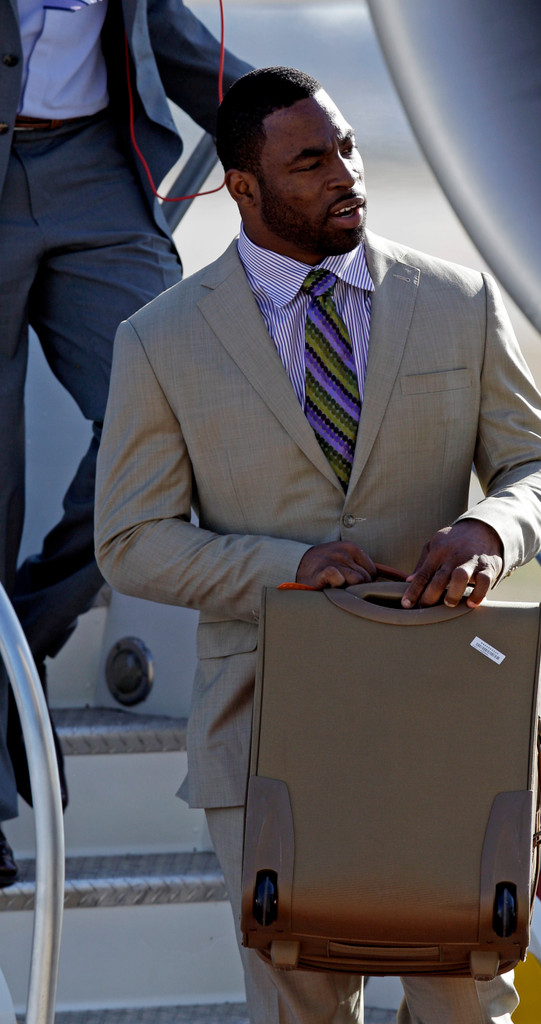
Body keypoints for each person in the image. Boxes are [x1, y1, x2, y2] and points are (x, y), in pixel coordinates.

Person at [94, 66, 541, 1024]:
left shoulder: (459, 300)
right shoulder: (161, 340)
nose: (344, 173)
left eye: (346, 147)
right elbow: (131, 542)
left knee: (462, 1002)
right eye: (309, 161)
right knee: (301, 1007)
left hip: (450, 717)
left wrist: (490, 526)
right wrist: (284, 567)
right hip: (270, 728)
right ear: (243, 187)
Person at [0, 0, 252, 885]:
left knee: (168, 420)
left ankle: (18, 645)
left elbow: (170, 37)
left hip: (98, 170)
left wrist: (287, 117)